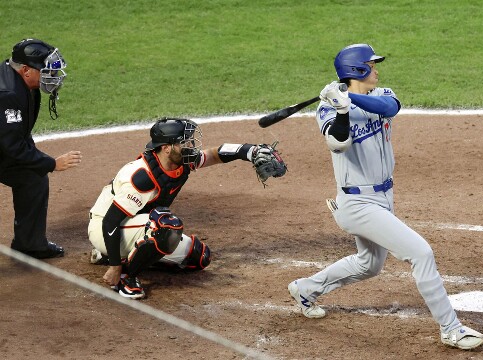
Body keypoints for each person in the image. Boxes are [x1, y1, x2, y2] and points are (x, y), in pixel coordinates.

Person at [286, 44, 483, 350]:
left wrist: (348, 97)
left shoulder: (381, 95)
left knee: (369, 265)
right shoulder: (327, 109)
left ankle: (305, 289)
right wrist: (341, 109)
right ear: (357, 70)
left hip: (384, 198)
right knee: (421, 253)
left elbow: (391, 109)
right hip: (357, 203)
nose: (377, 68)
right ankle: (451, 328)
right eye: (371, 64)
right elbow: (338, 144)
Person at [88, 117, 286, 299]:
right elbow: (110, 221)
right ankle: (125, 276)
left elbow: (214, 155)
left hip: (134, 225)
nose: (190, 145)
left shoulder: (181, 161)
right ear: (166, 148)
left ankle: (117, 255)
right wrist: (115, 267)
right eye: (184, 142)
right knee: (166, 227)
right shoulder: (142, 177)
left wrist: (249, 151)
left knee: (199, 257)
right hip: (104, 228)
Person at [0, 38, 82, 259]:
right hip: (4, 148)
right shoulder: (8, 94)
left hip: (4, 149)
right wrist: (52, 163)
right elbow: (12, 146)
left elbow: (19, 135)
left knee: (32, 177)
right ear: (26, 70)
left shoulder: (25, 84)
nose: (52, 76)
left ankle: (29, 244)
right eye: (45, 70)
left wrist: (40, 164)